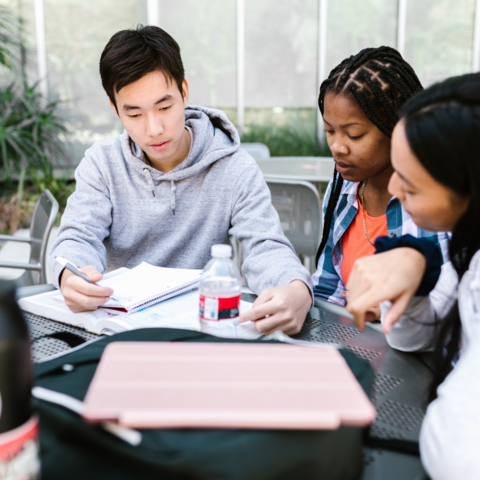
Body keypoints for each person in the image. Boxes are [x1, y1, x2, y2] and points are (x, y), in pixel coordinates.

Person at [49, 25, 312, 336]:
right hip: (119, 329)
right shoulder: (102, 164)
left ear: (184, 92)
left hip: (201, 329)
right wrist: (71, 275)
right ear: (115, 108)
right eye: (134, 115)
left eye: (164, 107)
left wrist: (297, 290)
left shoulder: (233, 167)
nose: (154, 128)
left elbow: (266, 246)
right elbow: (77, 238)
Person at [346, 73, 480, 479]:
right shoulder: (467, 250)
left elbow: (458, 457)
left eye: (413, 184)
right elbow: (409, 336)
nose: (395, 189)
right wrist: (417, 268)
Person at [313, 46, 450, 309]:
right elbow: (327, 288)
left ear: (397, 127)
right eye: (330, 131)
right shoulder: (341, 188)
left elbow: (455, 302)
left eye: (354, 135)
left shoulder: (436, 199)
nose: (337, 146)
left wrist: (394, 308)